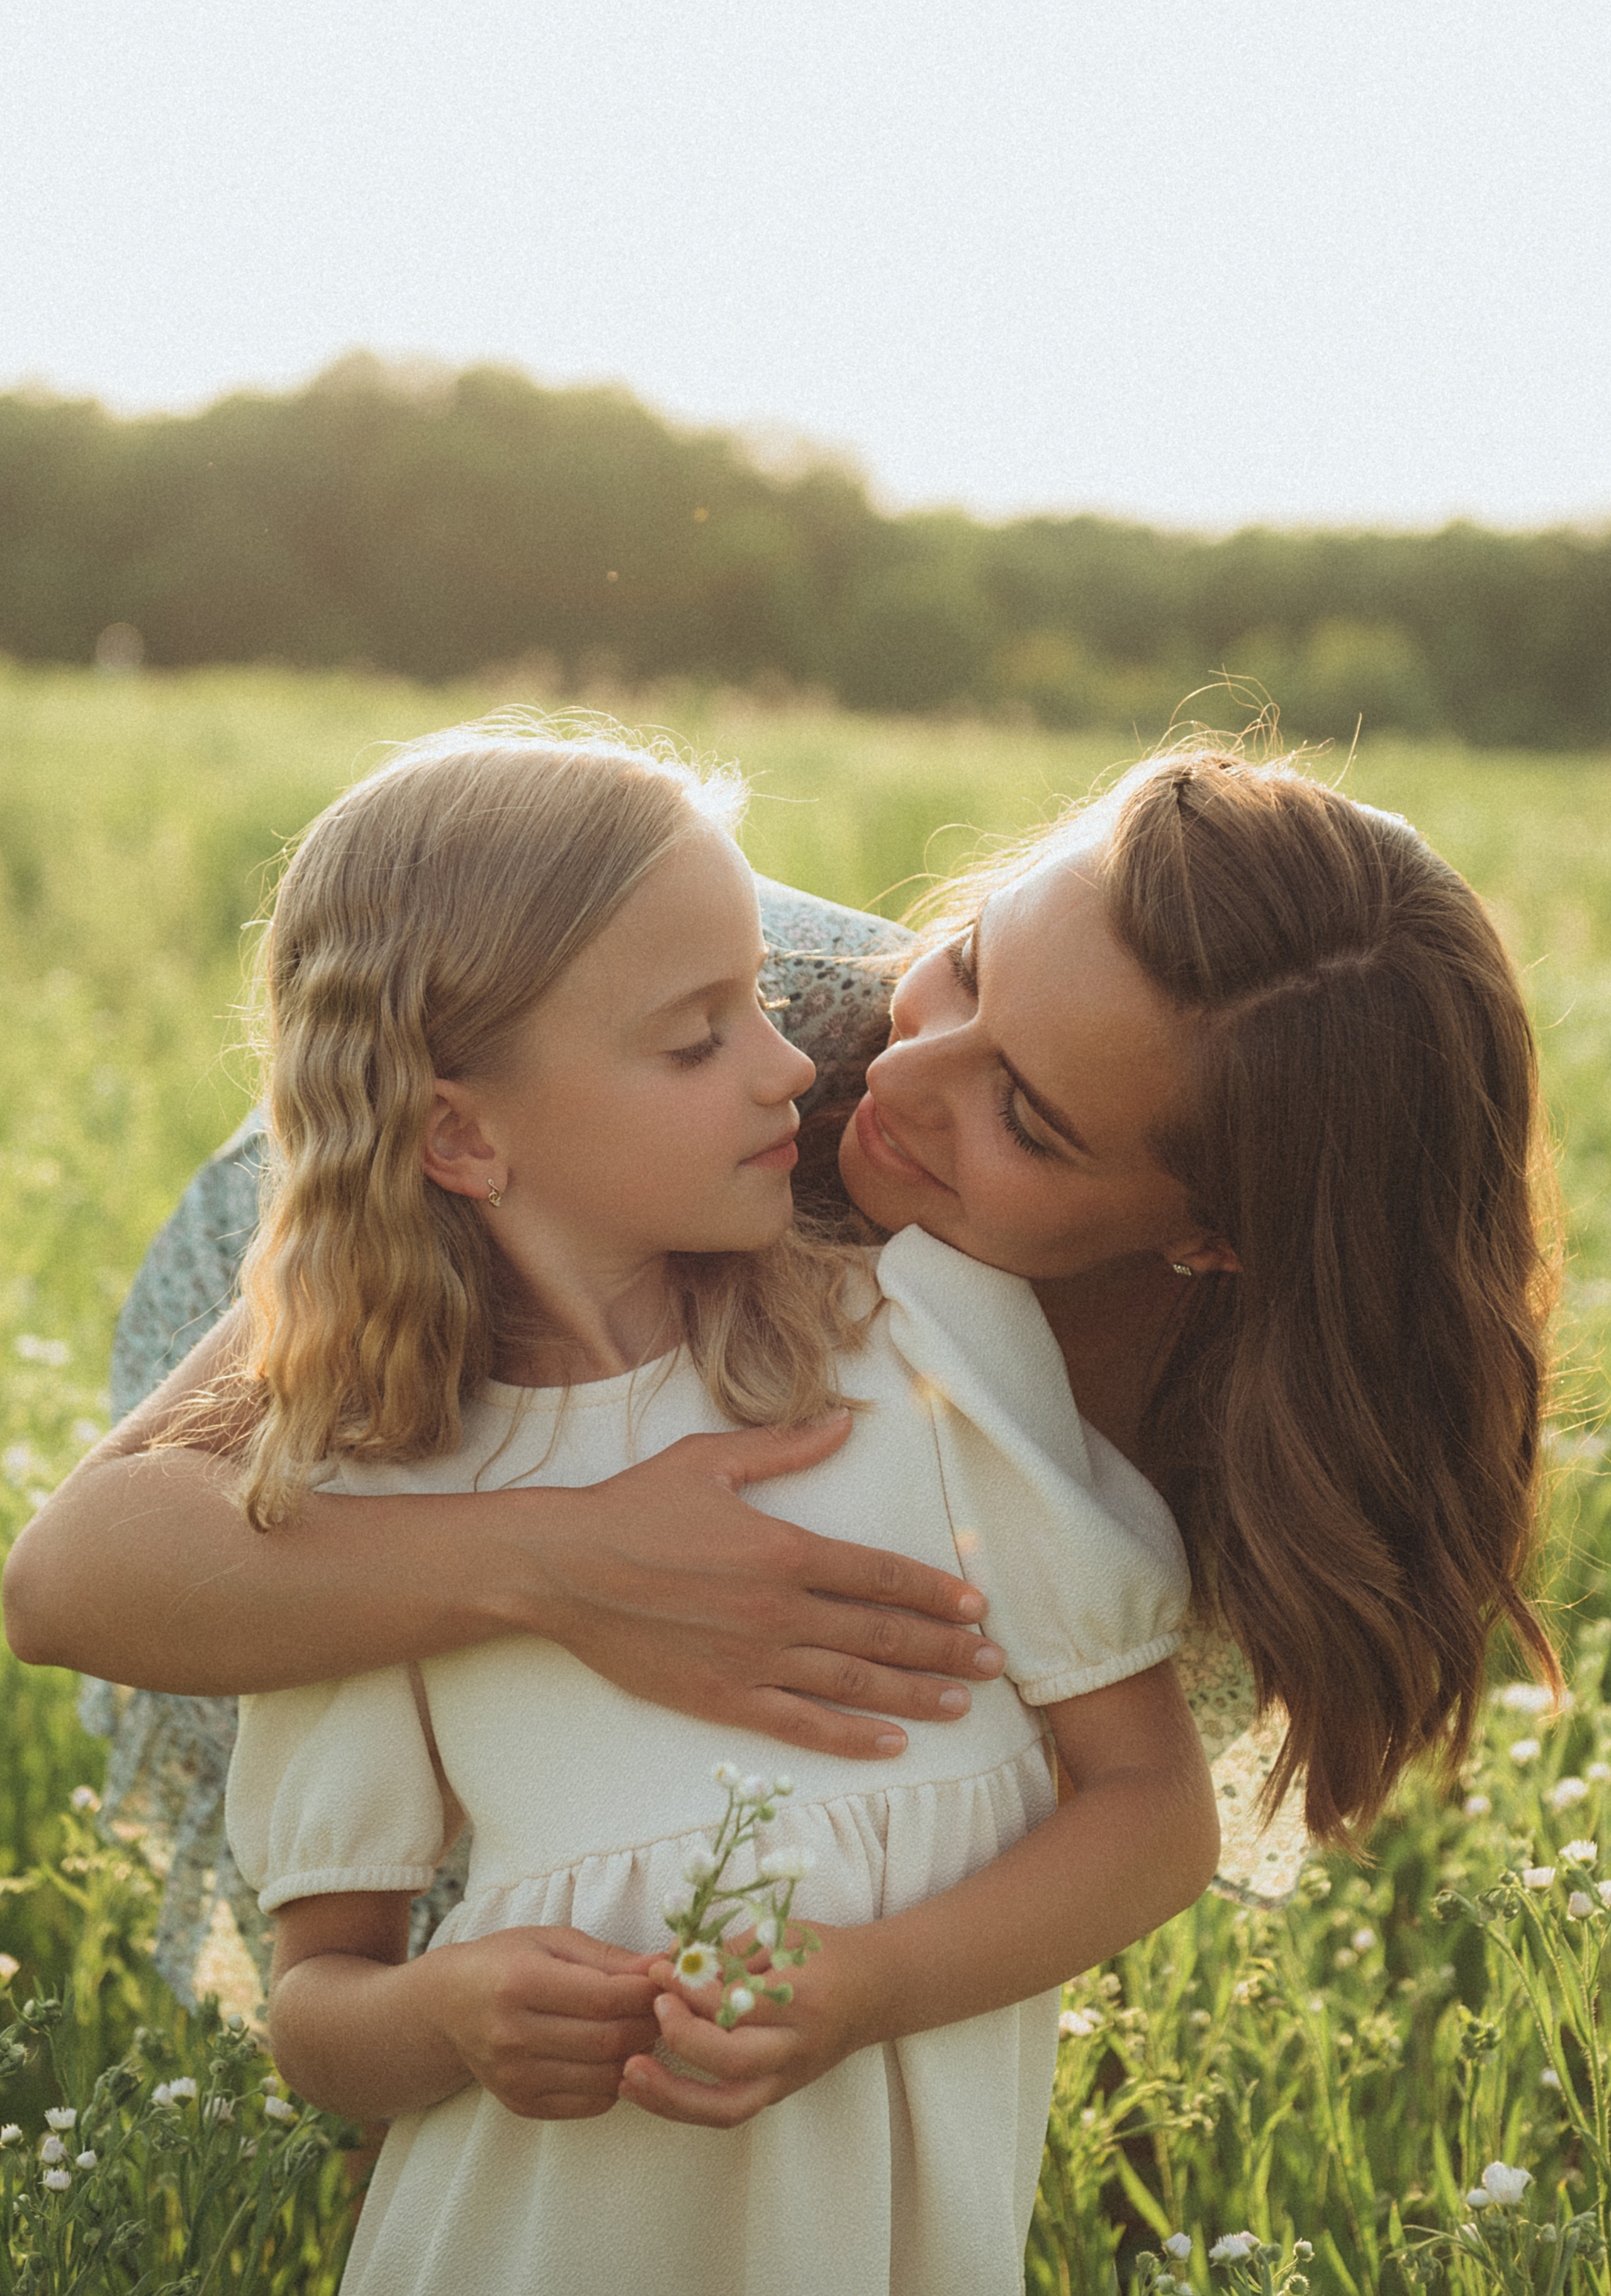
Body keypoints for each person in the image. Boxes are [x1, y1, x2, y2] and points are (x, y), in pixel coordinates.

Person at [5, 732, 1556, 1945]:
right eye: (967, 958)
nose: (896, 1077)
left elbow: (1056, 1807)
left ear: (1212, 1238)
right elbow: (75, 1580)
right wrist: (559, 1562)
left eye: (1022, 1116)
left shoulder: (1247, 1420)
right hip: (401, 1315)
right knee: (468, 1922)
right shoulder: (762, 1064)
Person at [186, 723, 1218, 2296]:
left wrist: (868, 1987)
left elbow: (1153, 1816)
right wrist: (447, 2014)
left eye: (761, 999)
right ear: (462, 1133)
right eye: (695, 1041)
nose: (793, 1065)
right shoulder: (369, 1503)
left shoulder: (923, 1351)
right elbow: (320, 2011)